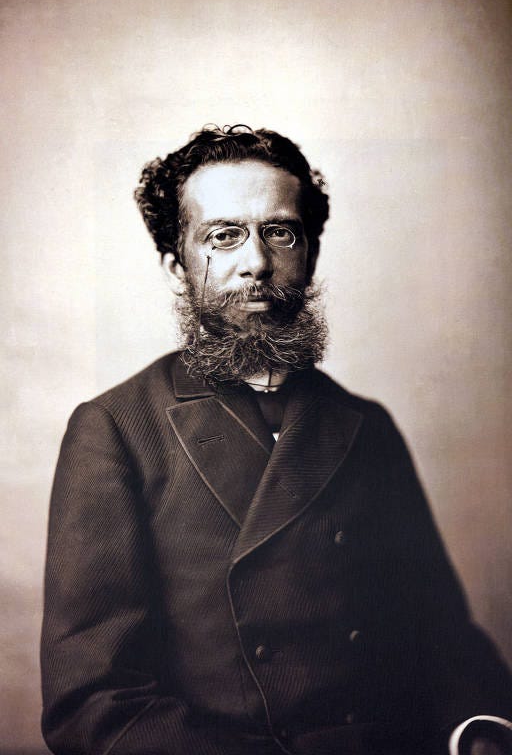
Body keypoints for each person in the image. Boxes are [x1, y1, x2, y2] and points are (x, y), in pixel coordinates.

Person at [41, 125, 512, 755]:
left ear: (309, 255)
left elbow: (440, 632)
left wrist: (476, 729)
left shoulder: (364, 424)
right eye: (223, 236)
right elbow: (92, 702)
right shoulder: (117, 429)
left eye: (280, 233)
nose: (257, 263)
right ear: (177, 267)